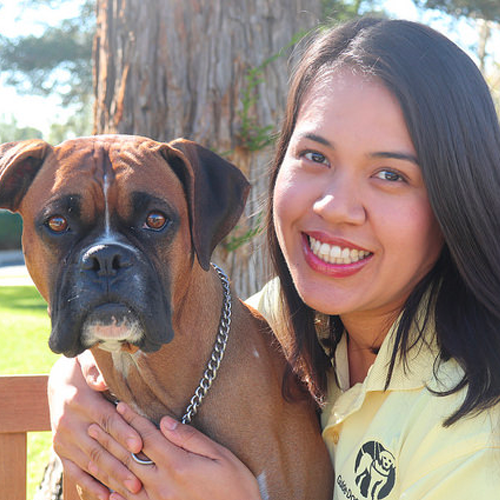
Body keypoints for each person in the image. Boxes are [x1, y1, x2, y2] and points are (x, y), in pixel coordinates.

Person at [48, 17, 500, 500]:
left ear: (457, 196)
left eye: (390, 174)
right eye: (316, 157)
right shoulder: (281, 318)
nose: (333, 206)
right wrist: (70, 388)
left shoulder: (476, 440)